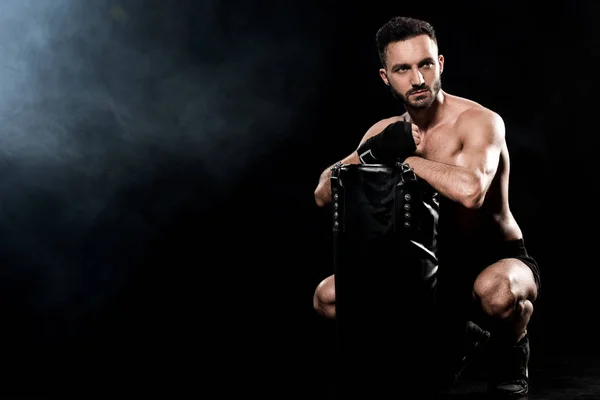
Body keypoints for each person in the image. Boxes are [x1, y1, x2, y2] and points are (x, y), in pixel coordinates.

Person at [312, 16, 540, 397]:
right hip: (422, 268)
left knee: (497, 293)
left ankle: (512, 347)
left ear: (441, 64)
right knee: (329, 297)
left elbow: (472, 192)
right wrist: (370, 151)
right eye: (403, 69)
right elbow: (323, 192)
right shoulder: (384, 131)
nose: (417, 79)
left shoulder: (479, 121)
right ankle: (455, 336)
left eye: (426, 64)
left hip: (493, 256)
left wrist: (408, 161)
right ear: (386, 77)